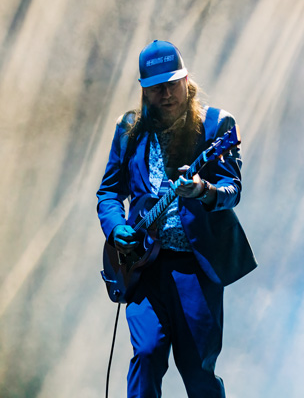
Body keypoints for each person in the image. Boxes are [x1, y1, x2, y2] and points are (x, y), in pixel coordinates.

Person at [96, 40, 257, 398]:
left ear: (186, 80)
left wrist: (202, 190)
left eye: (172, 84)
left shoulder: (215, 125)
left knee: (197, 368)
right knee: (146, 354)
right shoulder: (129, 129)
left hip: (194, 268)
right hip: (143, 267)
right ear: (144, 90)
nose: (166, 94)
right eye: (157, 88)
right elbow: (108, 192)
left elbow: (232, 190)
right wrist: (116, 227)